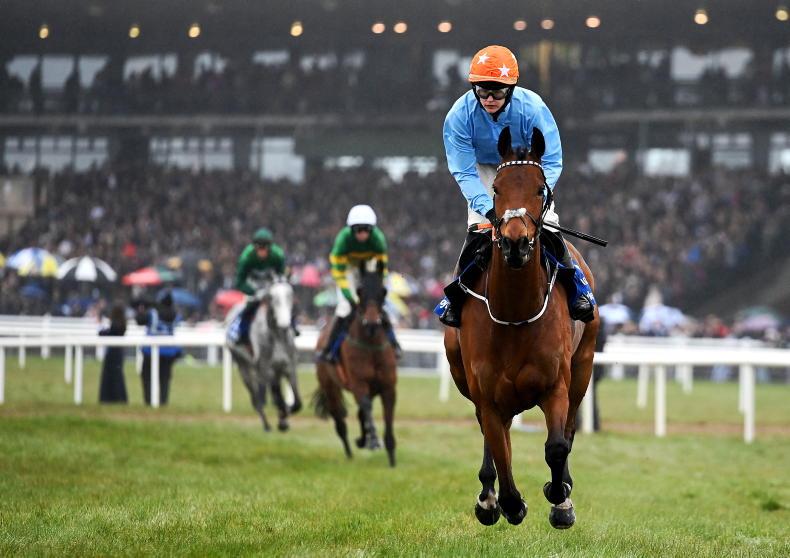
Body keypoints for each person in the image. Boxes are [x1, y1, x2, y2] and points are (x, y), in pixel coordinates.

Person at [435, 44, 596, 327]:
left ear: (511, 88)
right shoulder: (458, 116)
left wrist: (539, 197)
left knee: (549, 226)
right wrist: (489, 210)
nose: (489, 99)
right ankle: (455, 297)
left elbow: (552, 160)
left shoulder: (533, 108)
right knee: (478, 231)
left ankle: (578, 291)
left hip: (526, 169)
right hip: (485, 170)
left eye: (497, 92)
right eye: (482, 91)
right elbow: (463, 171)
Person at [318, 204, 402, 362]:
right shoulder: (343, 239)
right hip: (348, 270)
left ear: (372, 230)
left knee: (379, 307)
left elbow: (382, 269)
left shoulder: (378, 239)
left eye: (366, 230)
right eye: (358, 230)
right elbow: (339, 274)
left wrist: (379, 292)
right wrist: (350, 298)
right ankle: (329, 349)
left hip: (368, 267)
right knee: (345, 309)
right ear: (351, 229)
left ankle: (394, 344)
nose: (362, 234)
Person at [226, 227, 287, 362]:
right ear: (254, 247)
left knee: (284, 303)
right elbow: (239, 282)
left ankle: (292, 327)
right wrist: (253, 292)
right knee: (249, 308)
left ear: (269, 247)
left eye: (265, 248)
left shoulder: (277, 255)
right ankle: (241, 335)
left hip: (271, 287)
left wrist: (277, 285)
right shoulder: (246, 257)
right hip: (253, 288)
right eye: (259, 248)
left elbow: (282, 274)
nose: (262, 251)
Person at [136, 290, 182, 406]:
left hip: (150, 352)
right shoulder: (175, 315)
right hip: (168, 352)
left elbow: (139, 321)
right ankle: (163, 402)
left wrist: (141, 309)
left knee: (147, 377)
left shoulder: (152, 313)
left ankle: (149, 401)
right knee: (164, 379)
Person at [98, 302, 128, 404]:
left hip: (112, 354)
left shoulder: (116, 324)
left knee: (110, 377)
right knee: (118, 377)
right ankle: (119, 398)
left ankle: (108, 398)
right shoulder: (122, 323)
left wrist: (102, 332)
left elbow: (108, 333)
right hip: (119, 353)